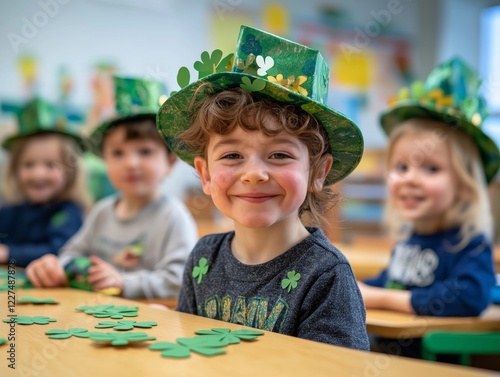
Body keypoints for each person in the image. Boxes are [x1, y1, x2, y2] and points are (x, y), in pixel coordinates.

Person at [156, 25, 369, 350]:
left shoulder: (326, 276)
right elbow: (191, 352)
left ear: (317, 172)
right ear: (206, 174)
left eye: (280, 154)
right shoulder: (203, 259)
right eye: (232, 155)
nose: (254, 173)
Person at [358, 57, 500, 358]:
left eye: (431, 169)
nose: (410, 179)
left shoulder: (469, 244)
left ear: (464, 185)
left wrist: (383, 298)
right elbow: (390, 281)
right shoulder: (411, 239)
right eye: (401, 167)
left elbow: (470, 296)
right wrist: (355, 286)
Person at [26, 76, 198, 299]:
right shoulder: (102, 211)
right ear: (105, 160)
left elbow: (181, 280)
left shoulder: (174, 217)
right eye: (118, 153)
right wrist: (59, 268)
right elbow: (70, 255)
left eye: (145, 151)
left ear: (170, 162)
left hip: (152, 322)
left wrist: (123, 282)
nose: (131, 163)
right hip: (95, 317)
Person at [0, 98, 90, 267]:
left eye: (50, 165)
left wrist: (9, 253)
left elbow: (58, 251)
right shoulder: (10, 211)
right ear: (14, 169)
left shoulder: (69, 212)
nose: (38, 174)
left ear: (70, 172)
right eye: (28, 165)